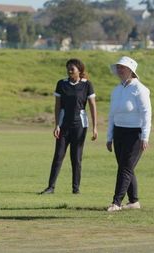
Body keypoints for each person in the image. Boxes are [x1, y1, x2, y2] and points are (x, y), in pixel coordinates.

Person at [39, 58, 97, 194]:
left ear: (80, 70)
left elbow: (92, 106)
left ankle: (75, 189)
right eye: (68, 68)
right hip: (64, 125)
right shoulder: (61, 84)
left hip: (80, 126)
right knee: (58, 155)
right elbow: (58, 105)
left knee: (76, 157)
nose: (69, 70)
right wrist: (57, 125)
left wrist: (95, 128)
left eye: (72, 68)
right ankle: (50, 187)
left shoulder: (87, 85)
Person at [105, 56, 151, 212]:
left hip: (135, 134)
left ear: (131, 70)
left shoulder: (140, 89)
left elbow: (146, 114)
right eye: (118, 67)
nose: (119, 70)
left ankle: (116, 202)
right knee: (126, 167)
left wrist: (145, 137)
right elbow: (112, 115)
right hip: (119, 132)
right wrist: (109, 137)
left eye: (122, 67)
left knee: (125, 167)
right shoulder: (116, 90)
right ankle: (134, 201)